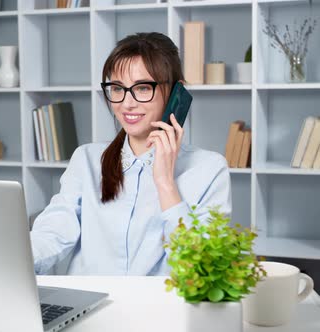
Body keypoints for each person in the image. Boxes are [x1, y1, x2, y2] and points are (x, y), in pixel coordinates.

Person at [30, 32, 231, 276]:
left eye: (143, 88)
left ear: (175, 94)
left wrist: (165, 183)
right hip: (89, 307)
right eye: (117, 88)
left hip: (158, 310)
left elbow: (201, 270)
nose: (127, 104)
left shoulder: (209, 169)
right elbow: (52, 234)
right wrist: (8, 263)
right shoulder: (86, 159)